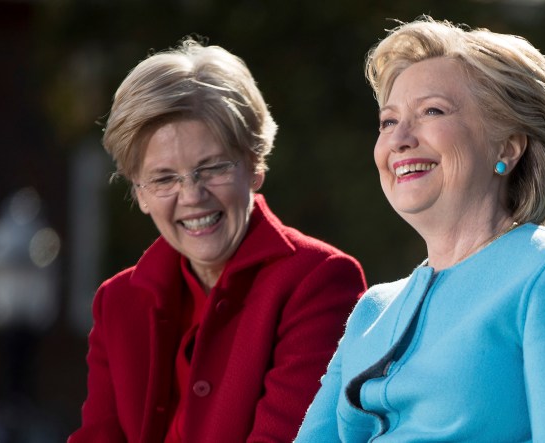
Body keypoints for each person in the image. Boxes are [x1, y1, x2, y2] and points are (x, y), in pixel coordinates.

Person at [295, 16, 545, 442]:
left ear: (508, 147)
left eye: (432, 111)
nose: (399, 139)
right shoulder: (373, 310)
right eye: (388, 121)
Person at [68, 38, 367, 443]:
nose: (191, 195)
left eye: (212, 168)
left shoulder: (320, 281)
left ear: (255, 166)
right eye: (164, 178)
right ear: (138, 192)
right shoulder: (116, 301)